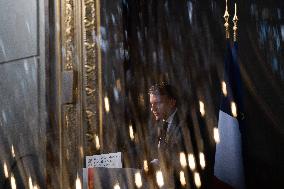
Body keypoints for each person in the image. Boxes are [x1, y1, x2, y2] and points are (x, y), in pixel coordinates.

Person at [148, 82, 187, 188]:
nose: (153, 109)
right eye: (151, 104)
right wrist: (117, 158)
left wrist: (159, 164)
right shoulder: (159, 123)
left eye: (158, 103)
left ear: (172, 102)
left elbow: (178, 160)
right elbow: (143, 148)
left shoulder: (184, 125)